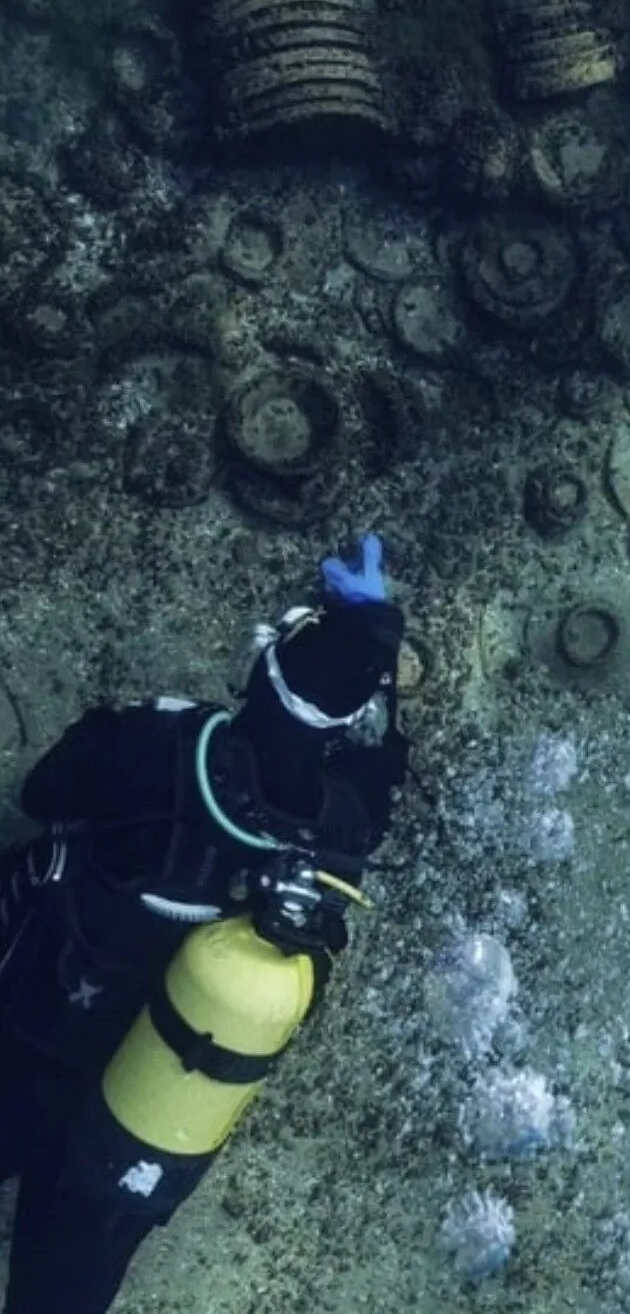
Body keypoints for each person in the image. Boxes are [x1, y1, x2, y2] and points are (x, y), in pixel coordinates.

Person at [0, 533, 410, 1314]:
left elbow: (46, 792)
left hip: (29, 1038)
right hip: (142, 1122)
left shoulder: (160, 745)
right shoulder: (342, 836)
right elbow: (378, 781)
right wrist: (372, 643)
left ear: (265, 671)